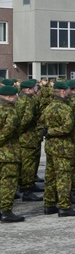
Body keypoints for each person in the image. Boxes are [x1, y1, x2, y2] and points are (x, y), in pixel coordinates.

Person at [39, 81, 75, 217]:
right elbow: (68, 127)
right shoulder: (65, 108)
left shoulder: (49, 107)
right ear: (63, 92)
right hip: (63, 147)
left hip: (51, 147)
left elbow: (40, 125)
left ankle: (49, 204)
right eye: (68, 90)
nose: (69, 92)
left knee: (50, 176)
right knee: (63, 177)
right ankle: (64, 206)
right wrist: (52, 131)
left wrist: (48, 131)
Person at [0, 85, 24, 222]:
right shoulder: (11, 111)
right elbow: (8, 132)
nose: (17, 98)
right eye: (15, 96)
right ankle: (6, 211)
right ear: (9, 97)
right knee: (8, 183)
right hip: (8, 153)